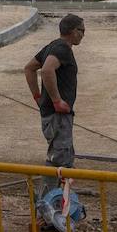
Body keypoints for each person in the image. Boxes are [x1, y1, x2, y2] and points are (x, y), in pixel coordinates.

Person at [23, 13, 85, 194]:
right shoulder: (62, 49)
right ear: (74, 32)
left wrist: (38, 96)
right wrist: (56, 100)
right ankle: (51, 205)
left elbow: (29, 68)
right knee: (61, 160)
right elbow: (47, 70)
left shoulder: (51, 46)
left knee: (57, 157)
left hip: (53, 115)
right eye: (82, 31)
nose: (83, 35)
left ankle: (50, 202)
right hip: (58, 116)